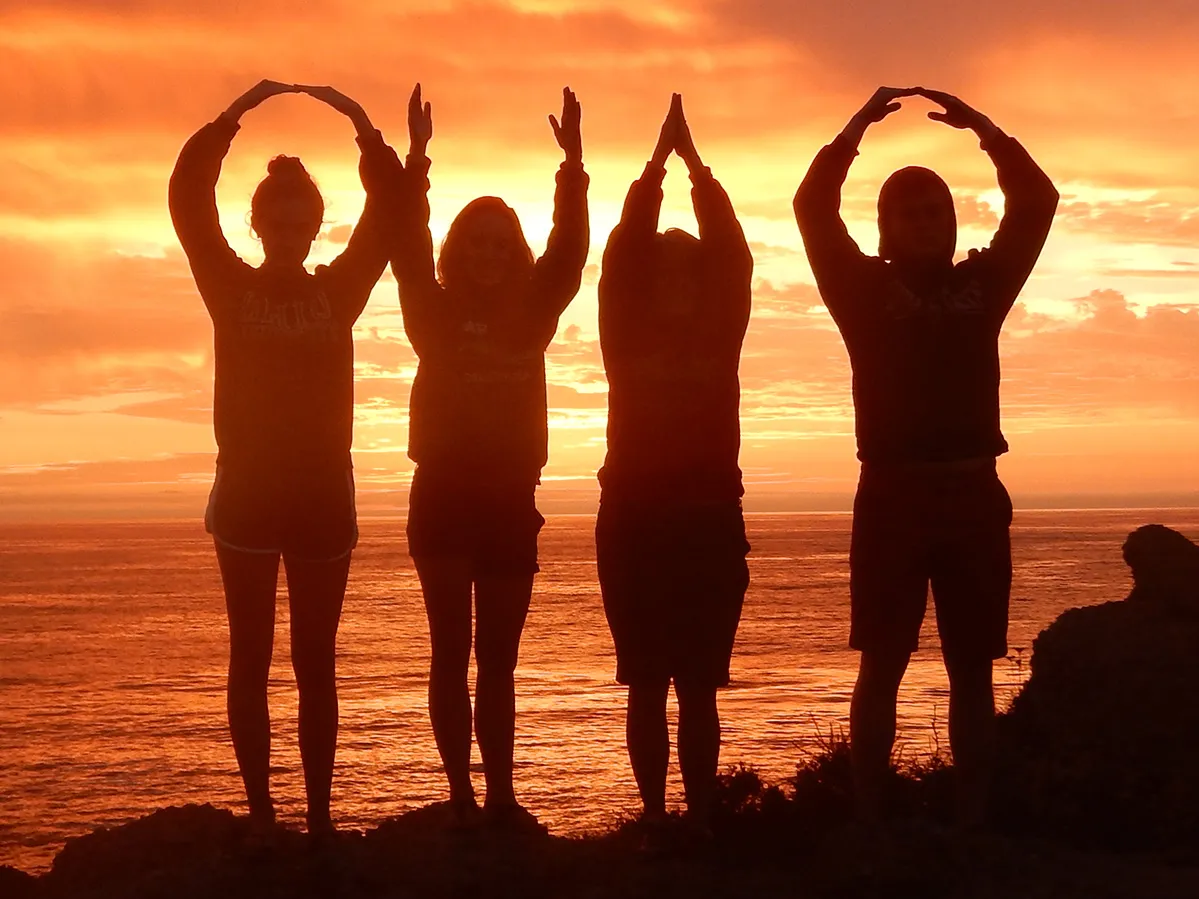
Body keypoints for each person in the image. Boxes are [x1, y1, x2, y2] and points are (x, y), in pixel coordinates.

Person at [793, 86, 1059, 829]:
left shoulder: (984, 283)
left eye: (937, 208)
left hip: (973, 494)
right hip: (890, 501)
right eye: (909, 212)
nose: (926, 220)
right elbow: (812, 209)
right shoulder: (859, 289)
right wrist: (851, 131)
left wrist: (984, 129)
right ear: (884, 229)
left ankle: (973, 826)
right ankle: (869, 823)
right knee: (880, 664)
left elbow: (1035, 200)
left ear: (952, 221)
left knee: (971, 670)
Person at [168, 79, 393, 836]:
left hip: (324, 498)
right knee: (250, 659)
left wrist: (362, 125)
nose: (292, 226)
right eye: (279, 215)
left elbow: (389, 214)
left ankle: (322, 820)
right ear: (260, 221)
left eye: (304, 216)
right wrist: (230, 116)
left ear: (317, 224)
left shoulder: (341, 291)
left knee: (316, 666)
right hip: (247, 500)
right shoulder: (228, 285)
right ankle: (264, 814)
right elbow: (188, 197)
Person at [377, 84, 589, 830]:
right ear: (457, 250)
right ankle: (461, 793)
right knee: (448, 653)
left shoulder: (535, 309)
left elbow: (569, 253)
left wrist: (573, 167)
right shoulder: (429, 310)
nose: (492, 254)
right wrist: (418, 160)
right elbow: (405, 244)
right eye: (478, 241)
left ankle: (499, 792)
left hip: (508, 501)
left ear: (517, 252)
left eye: (503, 242)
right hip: (440, 496)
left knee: (497, 660)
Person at [597, 94, 752, 836]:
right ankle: (656, 816)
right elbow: (623, 253)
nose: (676, 280)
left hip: (709, 524)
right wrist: (655, 169)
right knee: (645, 683)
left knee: (698, 686)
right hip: (633, 523)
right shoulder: (623, 337)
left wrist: (698, 170)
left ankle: (700, 814)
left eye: (689, 270)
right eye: (663, 270)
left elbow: (735, 255)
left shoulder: (723, 335)